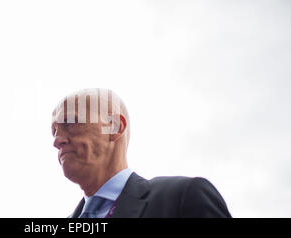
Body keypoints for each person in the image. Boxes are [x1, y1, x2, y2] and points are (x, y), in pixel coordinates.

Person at [51, 88, 231, 218]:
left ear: (114, 127)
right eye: (54, 131)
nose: (56, 141)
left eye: (70, 122)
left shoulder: (182, 198)